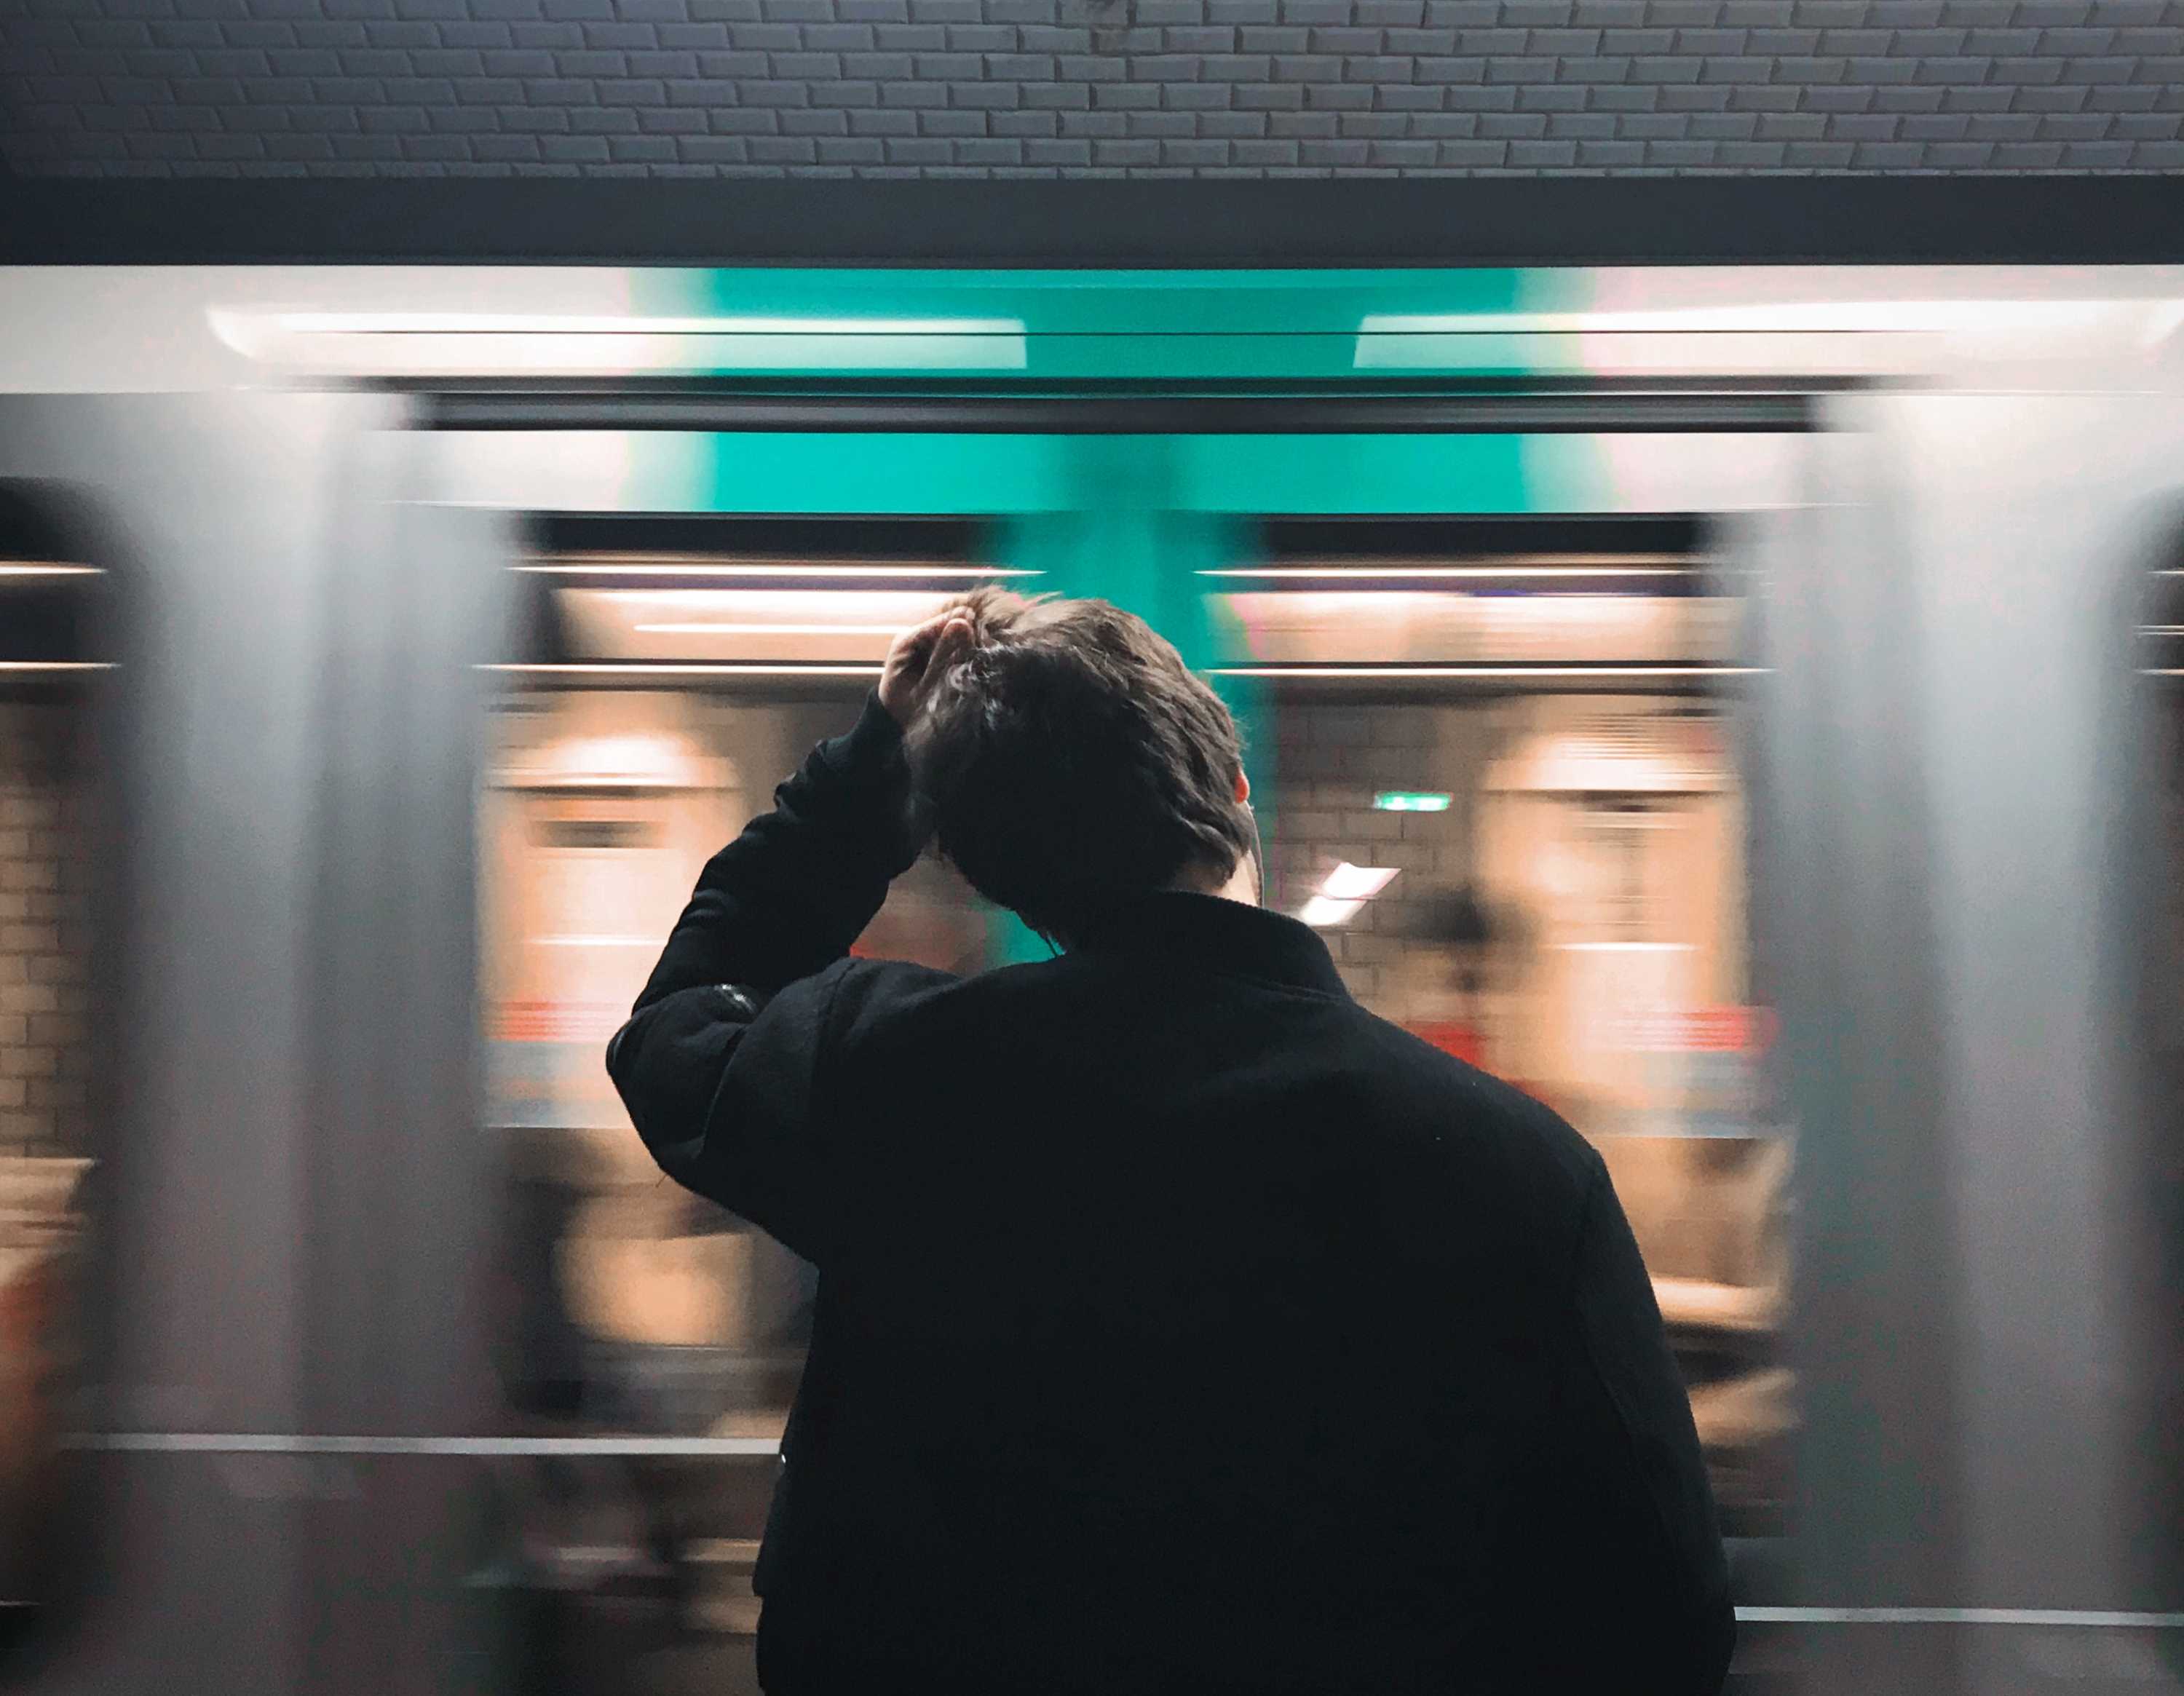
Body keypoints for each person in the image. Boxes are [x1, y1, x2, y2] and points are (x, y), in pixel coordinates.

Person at [607, 590, 1734, 1696]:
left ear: (984, 868)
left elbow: (681, 1022)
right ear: (1241, 795)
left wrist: (863, 785)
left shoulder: (887, 1077)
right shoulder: (1517, 1162)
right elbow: (1662, 1615)